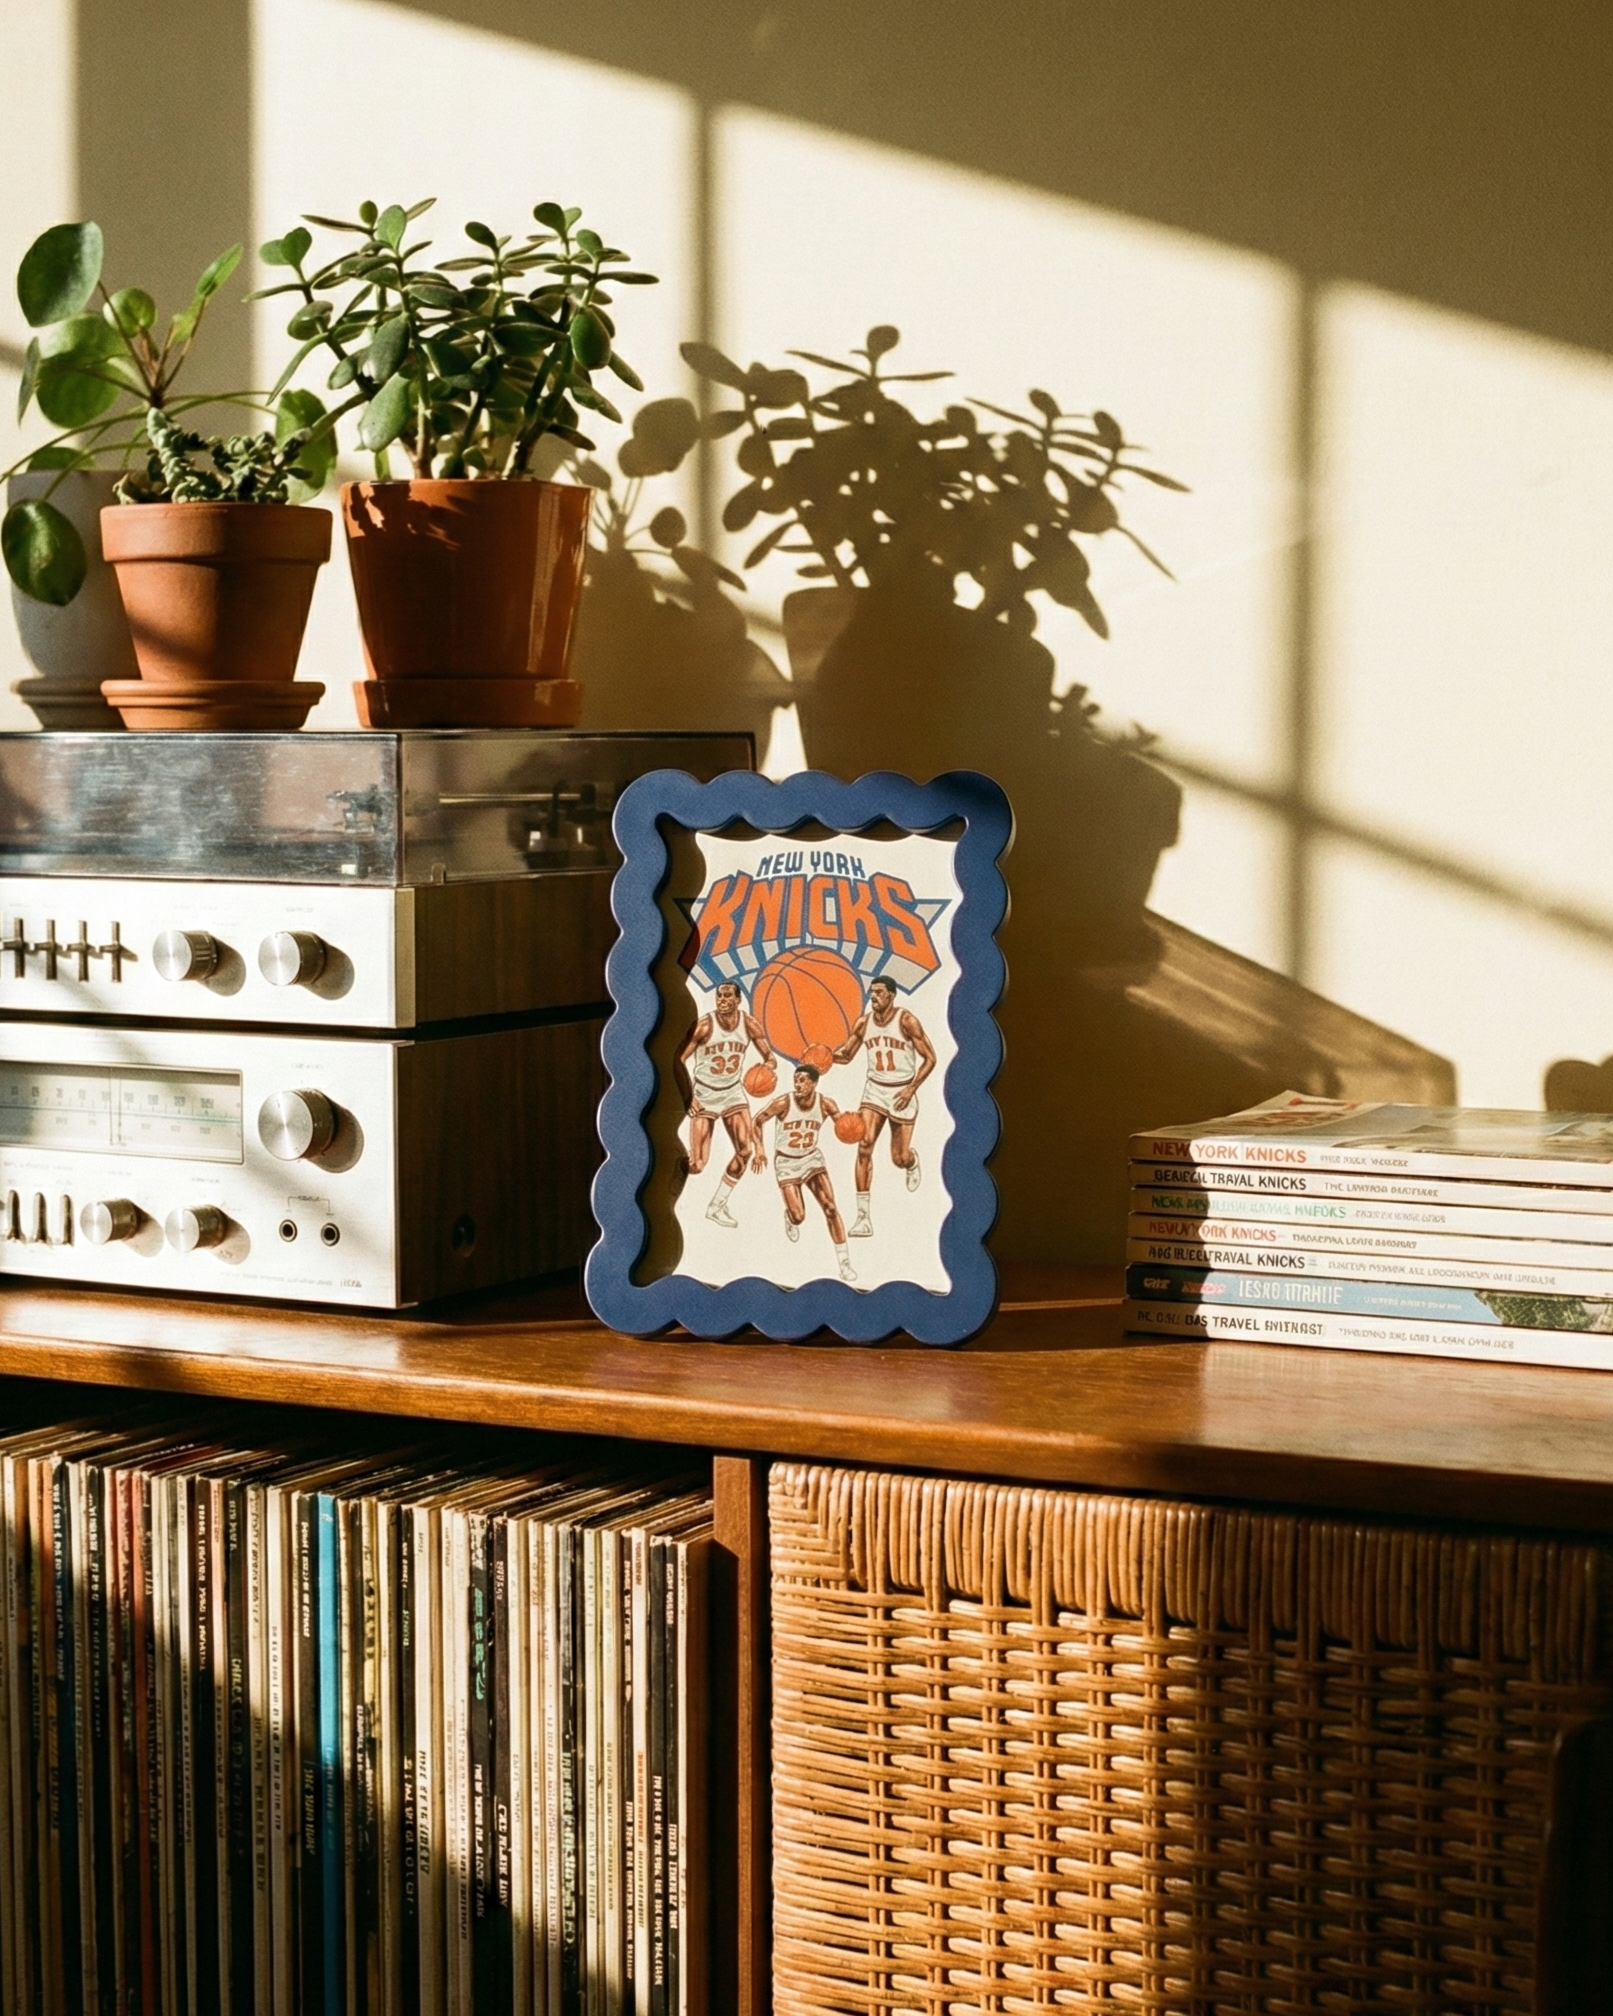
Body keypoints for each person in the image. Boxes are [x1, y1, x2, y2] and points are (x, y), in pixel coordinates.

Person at [833, 974, 936, 1237]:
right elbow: (846, 1055)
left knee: (898, 1158)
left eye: (879, 992)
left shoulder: (906, 1020)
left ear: (892, 994)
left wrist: (911, 1088)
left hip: (902, 1090)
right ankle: (863, 1217)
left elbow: (930, 1059)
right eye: (871, 992)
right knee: (864, 1145)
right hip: (875, 1091)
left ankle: (912, 1161)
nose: (874, 997)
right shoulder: (864, 1022)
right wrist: (822, 1057)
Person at [677, 979, 774, 1227]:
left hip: (732, 1092)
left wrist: (766, 1070)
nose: (721, 1000)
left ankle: (717, 1205)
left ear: (738, 1000)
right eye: (719, 996)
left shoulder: (749, 1024)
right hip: (705, 1093)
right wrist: (689, 1096)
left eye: (727, 996)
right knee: (697, 1165)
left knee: (745, 1150)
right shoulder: (704, 1026)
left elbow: (770, 1057)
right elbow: (677, 1060)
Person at [751, 1063, 857, 1282]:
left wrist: (852, 1126)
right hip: (786, 1161)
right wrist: (760, 1149)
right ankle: (790, 1217)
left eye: (802, 1080)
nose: (797, 1084)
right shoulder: (783, 1102)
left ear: (814, 1083)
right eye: (795, 1080)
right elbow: (757, 1120)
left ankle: (844, 1263)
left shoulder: (826, 1104)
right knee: (799, 1217)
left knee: (830, 1207)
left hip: (811, 1158)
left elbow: (843, 1125)